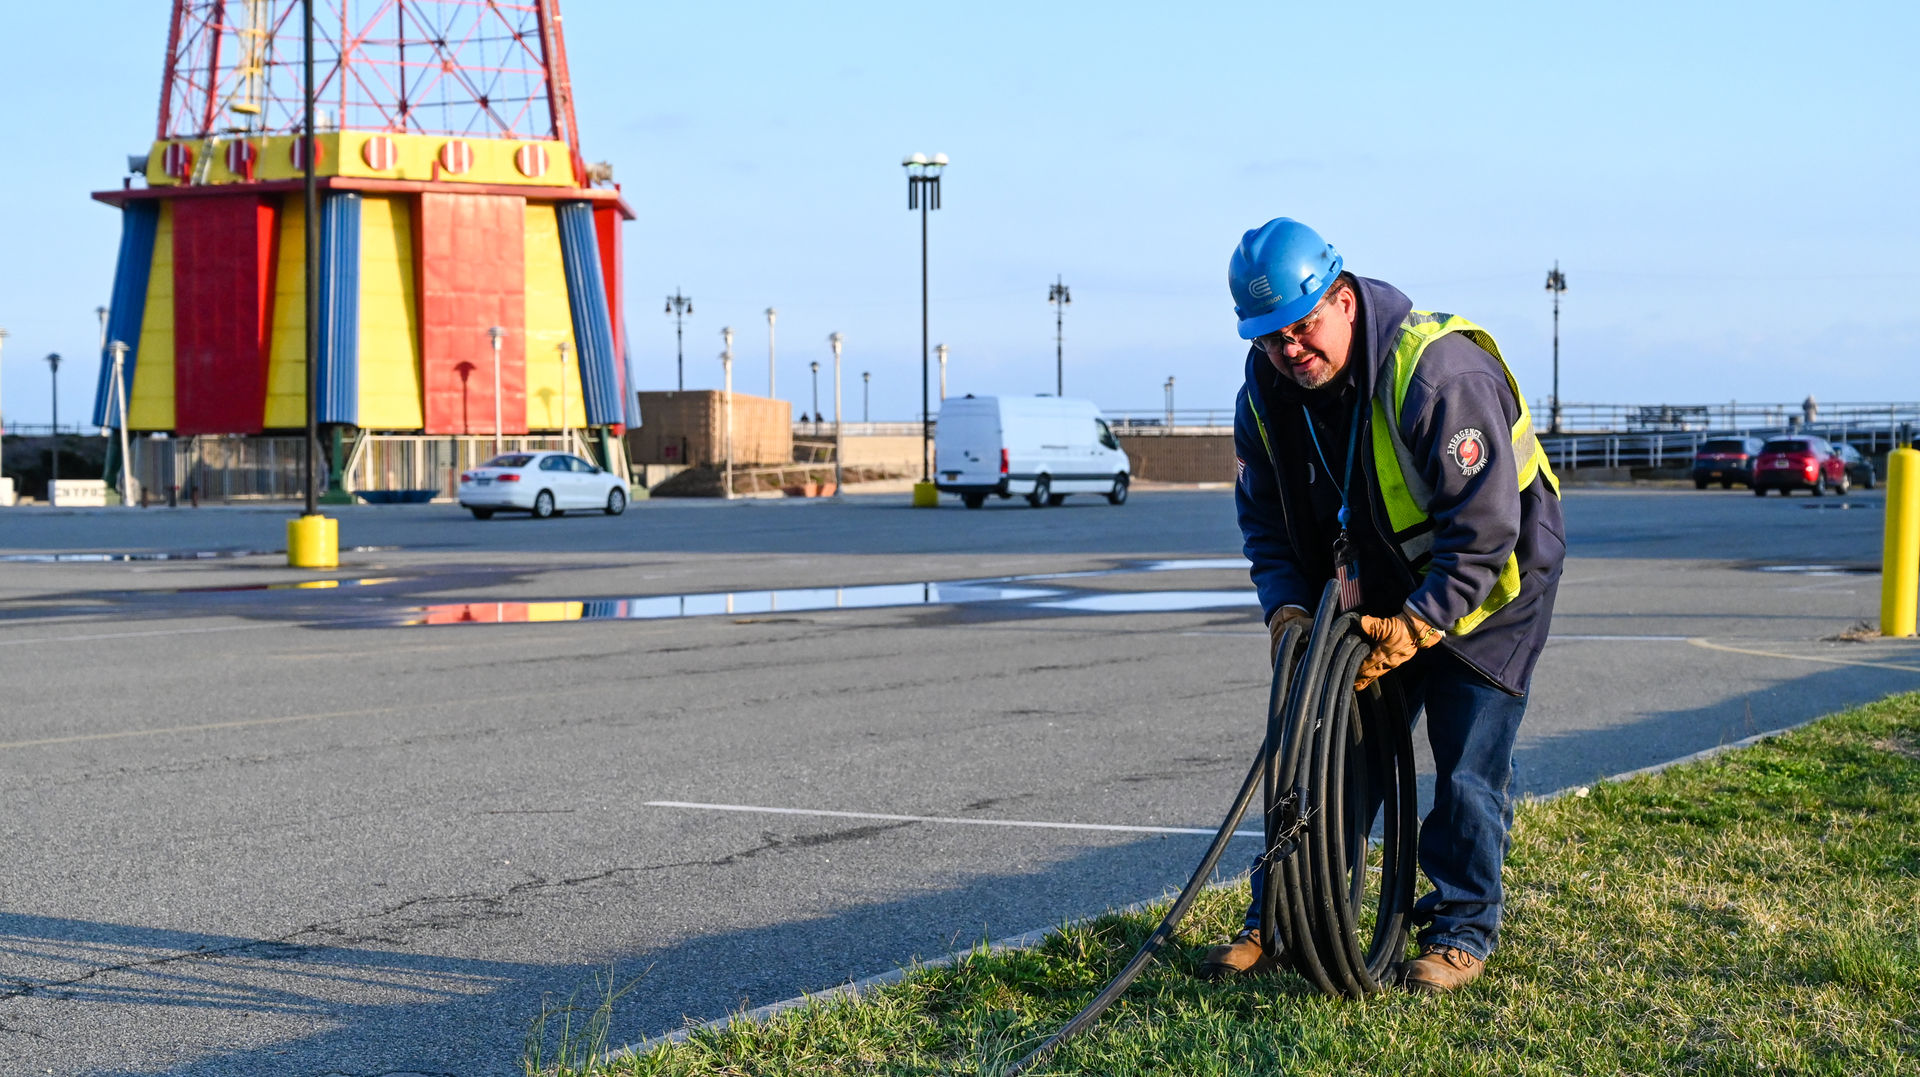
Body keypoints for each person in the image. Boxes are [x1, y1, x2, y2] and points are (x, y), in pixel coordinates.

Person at [1198, 218, 1566, 993]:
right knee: (1327, 755)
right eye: (1270, 339)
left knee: (1466, 766)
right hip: (1379, 590)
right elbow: (1264, 520)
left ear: (1344, 299)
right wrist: (1286, 609)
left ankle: (1462, 930)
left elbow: (1486, 525)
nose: (1290, 350)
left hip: (1489, 590)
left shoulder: (1436, 373)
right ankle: (1280, 917)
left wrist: (1425, 621)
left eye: (1303, 328)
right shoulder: (1265, 396)